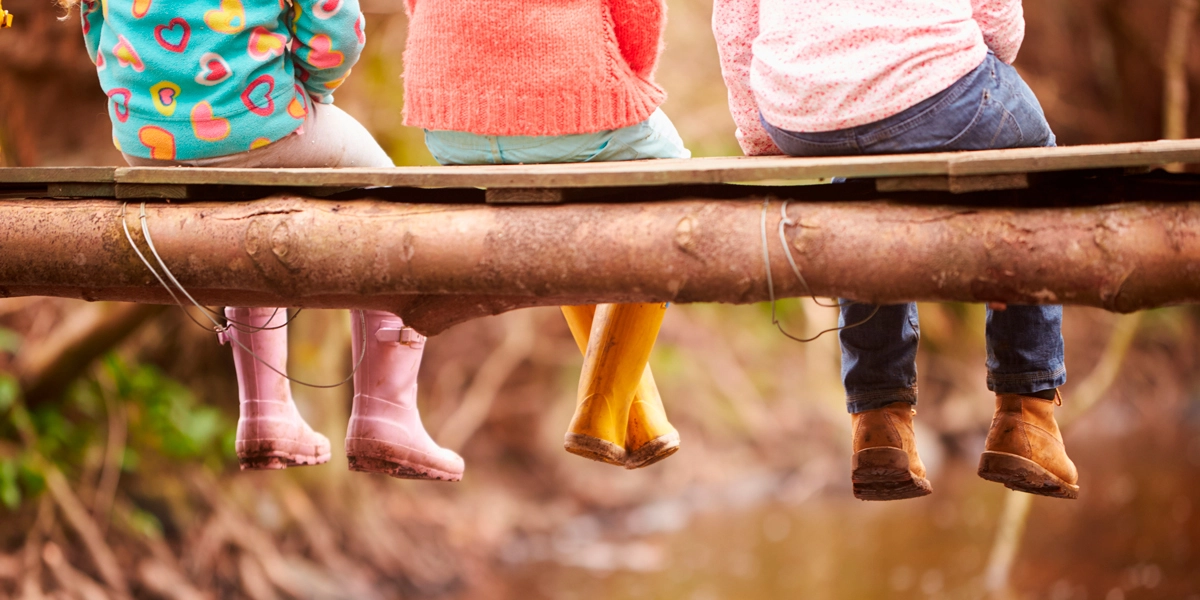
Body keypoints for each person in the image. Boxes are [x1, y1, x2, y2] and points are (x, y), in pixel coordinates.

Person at [71, 0, 462, 481]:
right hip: (263, 123)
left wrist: (142, 99)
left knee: (244, 198)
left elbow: (95, 29)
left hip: (148, 141)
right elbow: (335, 32)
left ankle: (265, 413)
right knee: (394, 199)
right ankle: (386, 415)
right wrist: (308, 95)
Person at [714, 0, 1078, 500]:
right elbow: (997, 21)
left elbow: (735, 24)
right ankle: (1026, 413)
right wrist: (943, 62)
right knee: (1036, 165)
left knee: (862, 178)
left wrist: (760, 131)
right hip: (935, 86)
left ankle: (879, 422)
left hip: (802, 109)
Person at [402, 0, 689, 469]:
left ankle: (638, 415)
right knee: (677, 179)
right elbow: (640, 10)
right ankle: (600, 405)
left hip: (452, 128)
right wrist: (625, 82)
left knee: (557, 195)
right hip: (566, 107)